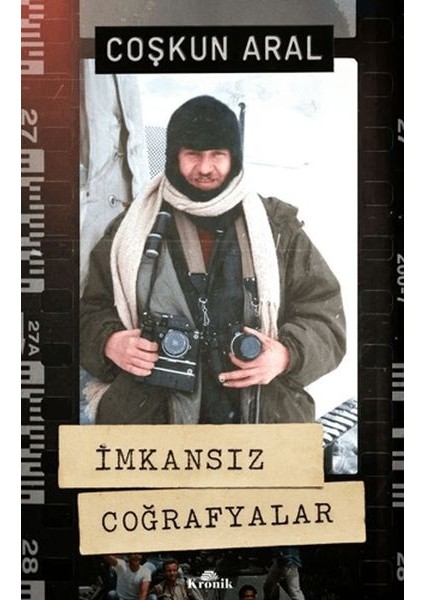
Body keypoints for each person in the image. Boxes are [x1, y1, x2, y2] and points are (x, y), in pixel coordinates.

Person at [80, 95, 346, 425]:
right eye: (192, 154)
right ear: (173, 156)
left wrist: (286, 355)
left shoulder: (277, 228)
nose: (205, 168)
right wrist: (109, 342)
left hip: (263, 423)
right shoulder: (130, 230)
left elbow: (326, 318)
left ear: (234, 157)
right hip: (150, 422)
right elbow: (89, 311)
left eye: (217, 154)